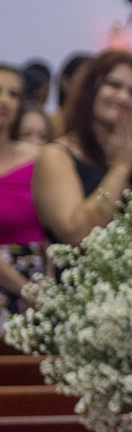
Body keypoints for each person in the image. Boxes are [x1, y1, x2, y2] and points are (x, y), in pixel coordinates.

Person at [33, 50, 132, 247]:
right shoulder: (56, 156)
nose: (123, 97)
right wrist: (120, 168)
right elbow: (76, 234)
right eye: (114, 85)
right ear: (91, 88)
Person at [0, 65, 46, 322]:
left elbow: (54, 229)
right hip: (21, 289)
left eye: (14, 94)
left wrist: (46, 288)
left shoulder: (39, 157)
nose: (5, 100)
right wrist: (24, 288)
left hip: (38, 282)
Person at [48, 52, 93, 139]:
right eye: (86, 78)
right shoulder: (50, 125)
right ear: (64, 82)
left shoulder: (97, 129)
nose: (90, 85)